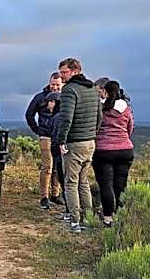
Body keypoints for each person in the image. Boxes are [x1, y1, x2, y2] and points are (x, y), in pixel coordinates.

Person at [55, 57, 102, 233]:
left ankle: (74, 221)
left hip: (74, 143)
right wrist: (92, 134)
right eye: (60, 73)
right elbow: (99, 117)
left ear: (75, 71)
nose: (62, 76)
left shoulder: (69, 90)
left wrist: (61, 140)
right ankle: (88, 220)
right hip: (90, 142)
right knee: (84, 182)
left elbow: (66, 118)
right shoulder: (92, 89)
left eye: (64, 72)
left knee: (71, 183)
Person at [92, 81, 134, 228]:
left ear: (105, 92)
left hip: (103, 151)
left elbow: (94, 128)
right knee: (120, 185)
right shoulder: (126, 109)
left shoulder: (100, 108)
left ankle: (108, 217)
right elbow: (130, 129)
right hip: (125, 150)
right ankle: (119, 215)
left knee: (106, 185)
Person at [24, 73, 63, 209]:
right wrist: (37, 130)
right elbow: (29, 114)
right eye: (53, 84)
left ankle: (55, 194)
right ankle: (44, 197)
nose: (55, 87)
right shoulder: (40, 97)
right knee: (47, 166)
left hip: (59, 137)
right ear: (49, 82)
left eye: (58, 85)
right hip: (45, 135)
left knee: (58, 166)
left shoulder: (65, 97)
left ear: (62, 84)